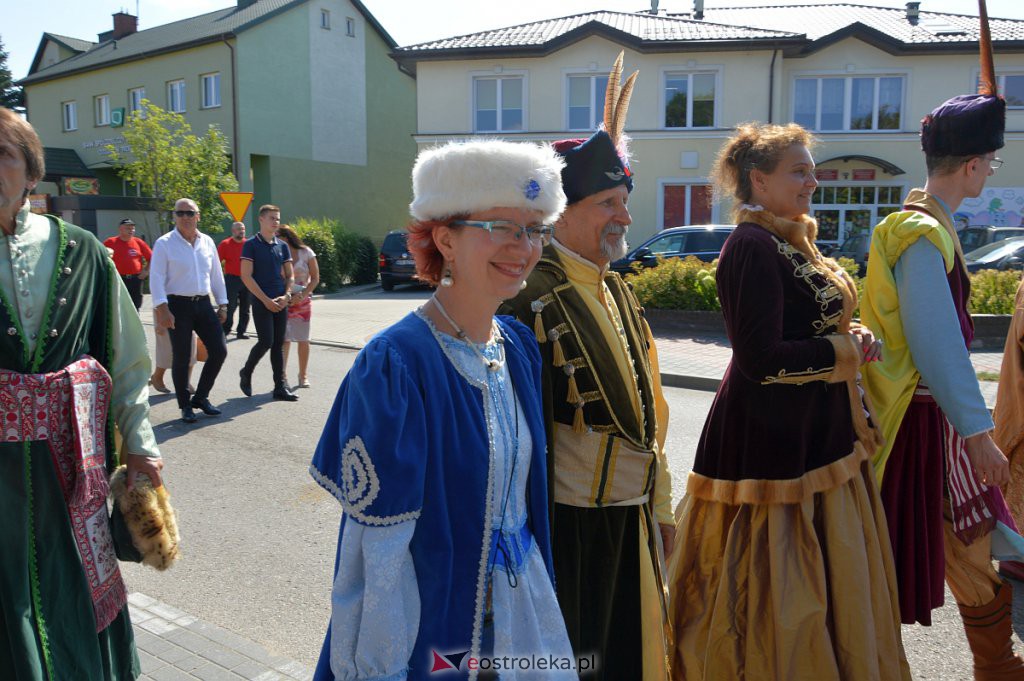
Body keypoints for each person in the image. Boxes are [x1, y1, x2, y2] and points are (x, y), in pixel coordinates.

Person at [310, 139, 573, 681]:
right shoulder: (396, 365)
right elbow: (377, 553)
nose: (522, 247)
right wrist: (381, 668)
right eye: (501, 226)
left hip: (522, 622)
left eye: (534, 229)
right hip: (435, 640)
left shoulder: (517, 347)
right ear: (445, 239)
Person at [665, 123, 910, 680]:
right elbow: (761, 359)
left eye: (811, 170)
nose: (812, 182)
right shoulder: (751, 247)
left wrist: (854, 334)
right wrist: (843, 350)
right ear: (759, 179)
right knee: (778, 592)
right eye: (799, 171)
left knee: (831, 579)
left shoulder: (787, 236)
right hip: (771, 443)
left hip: (819, 434)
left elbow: (814, 320)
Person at [500, 53, 674, 680]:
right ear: (562, 211)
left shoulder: (618, 291)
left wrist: (662, 510)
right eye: (608, 202)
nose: (625, 217)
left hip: (630, 525)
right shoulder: (524, 300)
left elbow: (652, 417)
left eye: (625, 200)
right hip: (567, 538)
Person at [861, 20, 1024, 675]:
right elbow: (936, 345)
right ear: (976, 163)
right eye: (992, 159)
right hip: (917, 424)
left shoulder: (921, 225)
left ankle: (998, 666)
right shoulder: (921, 234)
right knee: (908, 564)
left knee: (968, 547)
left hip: (929, 422)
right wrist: (979, 431)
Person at [0, 106, 164, 680]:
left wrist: (140, 444)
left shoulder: (86, 253)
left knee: (74, 585)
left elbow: (125, 359)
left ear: (30, 172)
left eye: (3, 154)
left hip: (73, 465)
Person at [149, 198, 228, 424]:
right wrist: (162, 308)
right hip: (177, 305)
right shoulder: (164, 243)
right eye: (180, 213)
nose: (185, 217)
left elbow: (216, 275)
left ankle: (201, 397)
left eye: (189, 213)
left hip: (203, 303)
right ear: (174, 216)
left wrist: (222, 303)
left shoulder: (207, 242)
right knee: (182, 357)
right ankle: (185, 405)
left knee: (219, 350)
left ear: (198, 216)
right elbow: (156, 278)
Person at [239, 205, 298, 401]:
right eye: (272, 218)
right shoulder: (251, 245)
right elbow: (246, 277)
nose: (276, 222)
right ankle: (246, 371)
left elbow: (290, 275)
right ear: (261, 219)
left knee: (278, 343)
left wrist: (287, 295)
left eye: (278, 219)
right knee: (266, 341)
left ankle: (279, 386)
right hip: (261, 301)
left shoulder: (282, 246)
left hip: (280, 301)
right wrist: (265, 300)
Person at [278, 224, 319, 388]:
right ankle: (282, 376)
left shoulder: (306, 252)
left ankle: (303, 376)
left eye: (277, 236)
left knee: (303, 339)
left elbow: (315, 278)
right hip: (283, 301)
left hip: (302, 303)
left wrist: (302, 295)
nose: (274, 240)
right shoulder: (277, 253)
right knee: (284, 340)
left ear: (286, 237)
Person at [104, 217, 152, 311]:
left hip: (135, 279)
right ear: (120, 229)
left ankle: (135, 323)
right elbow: (101, 257)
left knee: (135, 304)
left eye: (132, 228)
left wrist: (146, 271)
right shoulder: (110, 242)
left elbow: (152, 258)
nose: (131, 230)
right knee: (118, 304)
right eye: (128, 228)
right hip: (118, 278)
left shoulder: (138, 242)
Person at [218, 220, 251, 339]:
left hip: (247, 279)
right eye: (239, 229)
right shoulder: (225, 244)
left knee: (245, 307)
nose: (241, 231)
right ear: (233, 231)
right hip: (231, 279)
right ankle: (225, 331)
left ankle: (241, 332)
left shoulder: (248, 244)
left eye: (243, 229)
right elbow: (216, 262)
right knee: (230, 307)